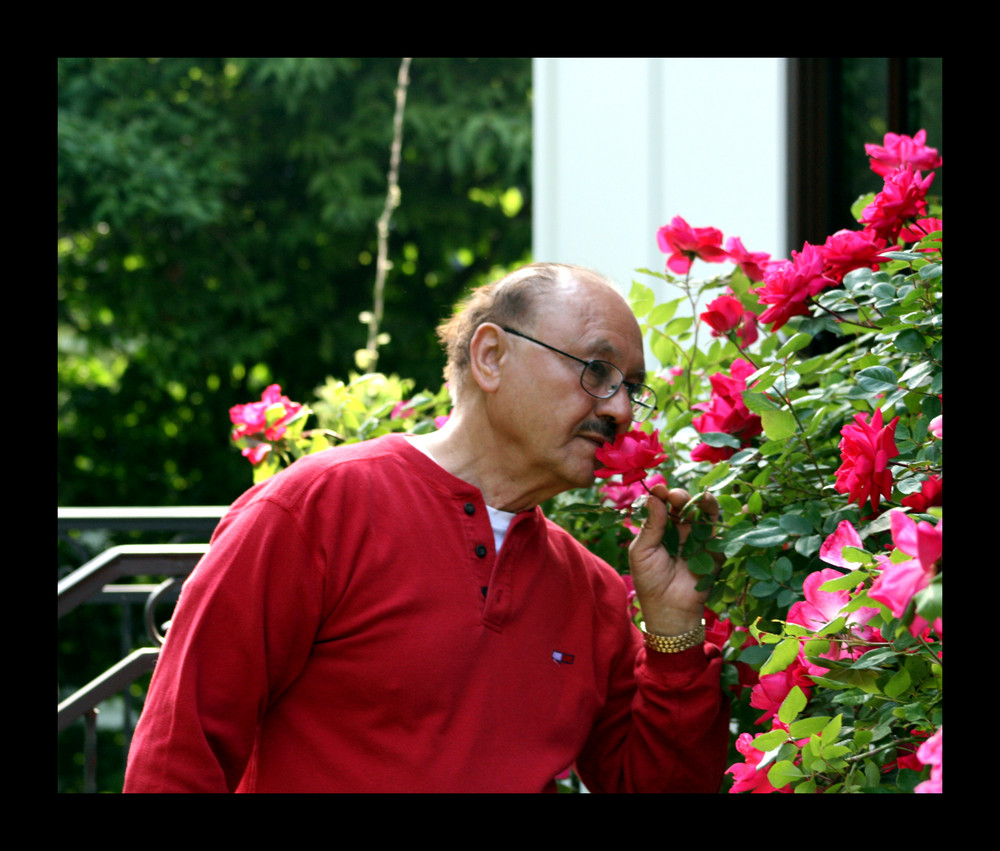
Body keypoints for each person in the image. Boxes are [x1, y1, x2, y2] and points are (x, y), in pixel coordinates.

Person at [123, 262, 730, 793]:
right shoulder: (316, 510)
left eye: (631, 389)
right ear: (491, 356)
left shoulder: (592, 592)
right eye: (597, 370)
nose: (619, 409)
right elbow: (182, 748)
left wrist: (674, 632)